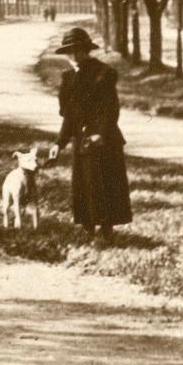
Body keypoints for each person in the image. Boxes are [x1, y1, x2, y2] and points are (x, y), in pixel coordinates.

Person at [46, 26, 131, 239]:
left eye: (79, 50)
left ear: (87, 50)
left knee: (104, 184)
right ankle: (88, 230)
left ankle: (106, 231)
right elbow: (70, 115)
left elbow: (110, 108)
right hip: (81, 141)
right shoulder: (68, 78)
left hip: (104, 139)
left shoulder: (103, 74)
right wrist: (59, 143)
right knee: (84, 187)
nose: (74, 56)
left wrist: (99, 134)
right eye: (69, 51)